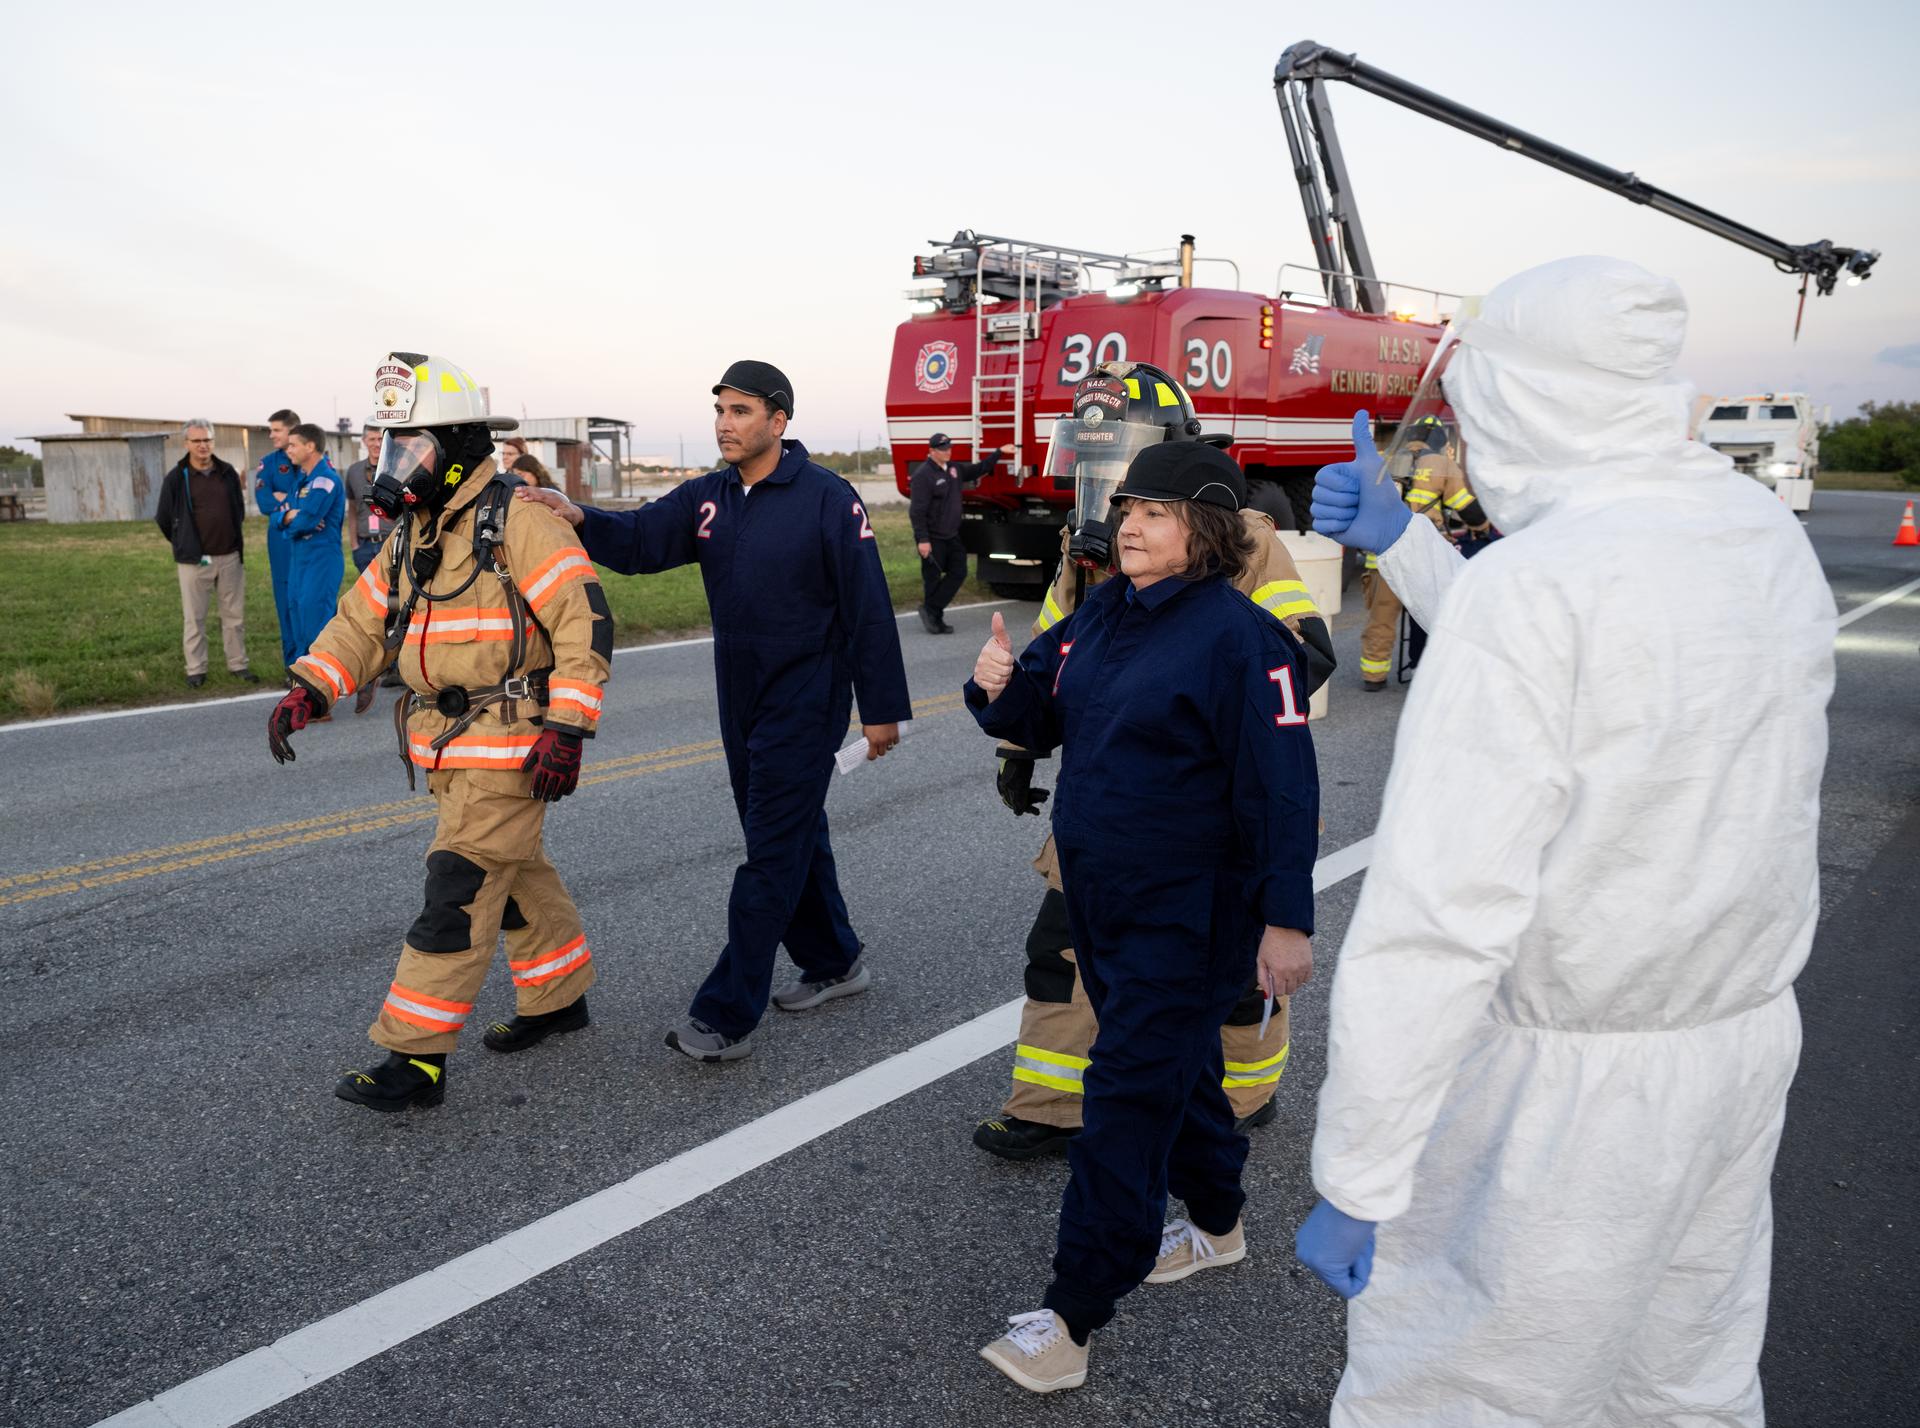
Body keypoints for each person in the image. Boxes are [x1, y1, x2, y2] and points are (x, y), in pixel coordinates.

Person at [1296, 256, 1836, 1426]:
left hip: (1563, 1098)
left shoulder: (1540, 591)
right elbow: (1610, 677)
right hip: (1733, 1052)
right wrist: (1405, 542)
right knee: (1681, 1377)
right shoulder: (1751, 533)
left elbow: (1440, 923)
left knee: (1469, 1391)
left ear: (1524, 403)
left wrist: (1361, 1168)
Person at [966, 440, 1319, 1394]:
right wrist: (994, 684)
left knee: (1121, 1100)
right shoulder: (1103, 612)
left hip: (1192, 916)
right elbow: (1034, 715)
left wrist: (1285, 923)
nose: (1129, 524)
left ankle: (1074, 1315)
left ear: (1201, 532)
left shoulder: (1245, 641)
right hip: (1104, 900)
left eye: (1155, 513)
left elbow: (1283, 790)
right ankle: (1216, 1224)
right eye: (1127, 507)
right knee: (1182, 1069)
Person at [975, 364, 1336, 1163]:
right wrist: (1017, 744)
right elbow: (1049, 660)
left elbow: (1304, 656)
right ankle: (1052, 1103)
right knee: (1063, 949)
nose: (1121, 506)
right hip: (1109, 806)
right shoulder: (1088, 547)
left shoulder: (1244, 539)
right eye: (1101, 464)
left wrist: (1189, 664)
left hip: (1211, 805)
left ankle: (1240, 1100)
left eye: (1132, 470)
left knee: (1236, 972)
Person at [515, 360, 911, 1064]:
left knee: (769, 853)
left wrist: (882, 709)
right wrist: (579, 516)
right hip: (740, 690)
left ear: (778, 421)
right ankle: (836, 961)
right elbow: (640, 543)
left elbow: (868, 608)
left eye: (741, 411)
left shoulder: (828, 498)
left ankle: (727, 1013)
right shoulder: (708, 497)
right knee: (790, 835)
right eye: (721, 411)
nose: (726, 424)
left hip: (807, 695)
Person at [267, 351, 613, 1112]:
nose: (398, 464)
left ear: (457, 450)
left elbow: (585, 623)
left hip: (515, 742)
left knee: (456, 887)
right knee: (515, 872)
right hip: (451, 745)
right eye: (391, 447)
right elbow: (360, 623)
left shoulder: (520, 522)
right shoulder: (415, 534)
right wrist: (311, 687)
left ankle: (414, 1060)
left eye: (412, 446)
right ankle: (558, 997)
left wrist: (569, 727)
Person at [154, 419, 257, 688]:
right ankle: (196, 669)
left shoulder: (227, 473)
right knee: (194, 618)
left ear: (213, 442)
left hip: (230, 557)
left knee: (234, 616)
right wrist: (183, 545)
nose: (203, 446)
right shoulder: (176, 478)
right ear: (186, 443)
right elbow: (164, 518)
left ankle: (237, 664)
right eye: (197, 441)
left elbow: (239, 511)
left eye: (207, 440)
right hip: (194, 561)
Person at [909, 432, 1010, 633]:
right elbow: (917, 511)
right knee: (932, 579)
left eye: (949, 447)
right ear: (931, 451)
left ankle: (931, 609)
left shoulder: (954, 469)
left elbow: (979, 469)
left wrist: (998, 453)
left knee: (959, 572)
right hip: (932, 537)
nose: (948, 452)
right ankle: (935, 619)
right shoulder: (923, 475)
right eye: (943, 449)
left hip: (951, 535)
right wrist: (922, 539)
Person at [276, 423, 347, 662]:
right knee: (297, 618)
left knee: (315, 624)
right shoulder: (301, 481)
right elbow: (279, 514)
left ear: (310, 446)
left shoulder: (326, 480)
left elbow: (306, 520)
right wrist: (289, 516)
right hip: (300, 559)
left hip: (321, 561)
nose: (289, 450)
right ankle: (303, 684)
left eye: (293, 445)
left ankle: (320, 685)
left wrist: (291, 523)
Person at [253, 408, 303, 669]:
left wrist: (283, 498)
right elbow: (263, 502)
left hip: (308, 544)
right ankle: (292, 667)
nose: (271, 435)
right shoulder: (269, 463)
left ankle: (314, 667)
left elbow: (318, 503)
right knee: (285, 606)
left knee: (308, 606)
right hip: (281, 544)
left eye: (276, 430)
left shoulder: (313, 461)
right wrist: (295, 502)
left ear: (292, 430)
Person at [342, 426, 389, 574]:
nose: (377, 444)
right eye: (372, 439)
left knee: (394, 595)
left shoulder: (396, 469)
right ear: (364, 441)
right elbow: (352, 509)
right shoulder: (354, 471)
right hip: (364, 546)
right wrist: (354, 544)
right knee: (367, 595)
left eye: (380, 439)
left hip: (390, 543)